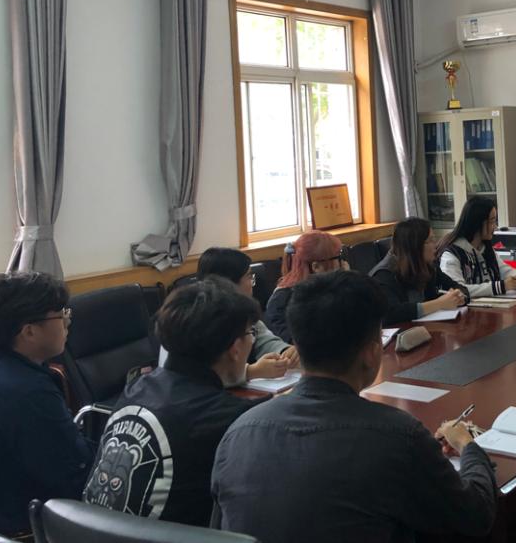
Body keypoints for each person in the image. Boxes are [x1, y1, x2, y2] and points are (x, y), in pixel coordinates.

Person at [211, 271, 497, 543]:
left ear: (298, 343)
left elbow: (218, 530)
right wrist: (467, 445)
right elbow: (476, 515)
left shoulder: (239, 432)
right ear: (373, 352)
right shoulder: (398, 435)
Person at [83, 279, 266, 526]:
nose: (252, 341)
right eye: (250, 333)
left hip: (87, 531)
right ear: (234, 347)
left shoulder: (136, 388)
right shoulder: (232, 419)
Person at [0, 272, 94, 536]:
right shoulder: (26, 393)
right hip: (24, 523)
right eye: (61, 315)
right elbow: (74, 475)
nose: (68, 321)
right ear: (29, 331)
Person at [191, 246, 298, 382]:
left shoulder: (244, 312)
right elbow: (197, 374)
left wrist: (285, 352)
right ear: (229, 283)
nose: (252, 283)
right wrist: (251, 372)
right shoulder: (197, 319)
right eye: (249, 277)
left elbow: (263, 339)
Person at [370, 217, 467, 325]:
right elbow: (390, 314)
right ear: (414, 246)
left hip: (425, 327)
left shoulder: (427, 265)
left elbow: (457, 287)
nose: (435, 245)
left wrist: (459, 296)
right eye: (430, 240)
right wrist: (439, 303)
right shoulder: (384, 274)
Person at [265, 231, 346, 344]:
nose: (343, 263)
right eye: (338, 258)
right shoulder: (281, 301)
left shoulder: (332, 288)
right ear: (316, 267)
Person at [437, 196, 516, 297]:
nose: (495, 227)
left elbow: (503, 269)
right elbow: (457, 290)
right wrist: (500, 286)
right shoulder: (452, 254)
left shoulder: (485, 247)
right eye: (492, 221)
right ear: (478, 223)